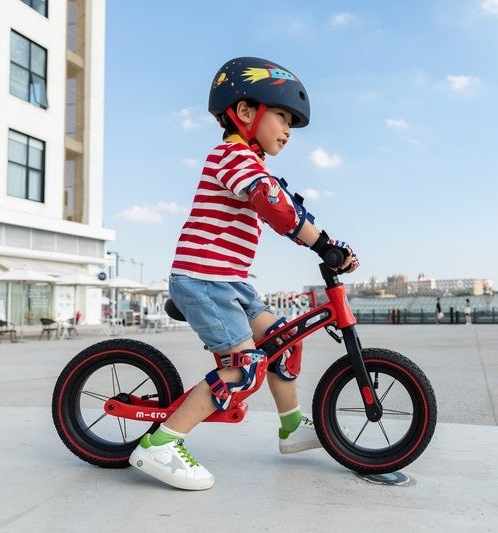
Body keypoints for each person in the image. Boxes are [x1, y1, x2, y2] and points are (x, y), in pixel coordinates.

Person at [128, 57, 359, 491]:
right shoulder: (231, 156)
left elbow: (287, 208)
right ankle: (161, 444)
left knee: (284, 342)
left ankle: (291, 427)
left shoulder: (252, 163)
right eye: (283, 116)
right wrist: (323, 245)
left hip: (230, 282)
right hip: (203, 279)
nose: (288, 130)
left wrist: (328, 243)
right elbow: (272, 203)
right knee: (244, 366)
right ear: (246, 112)